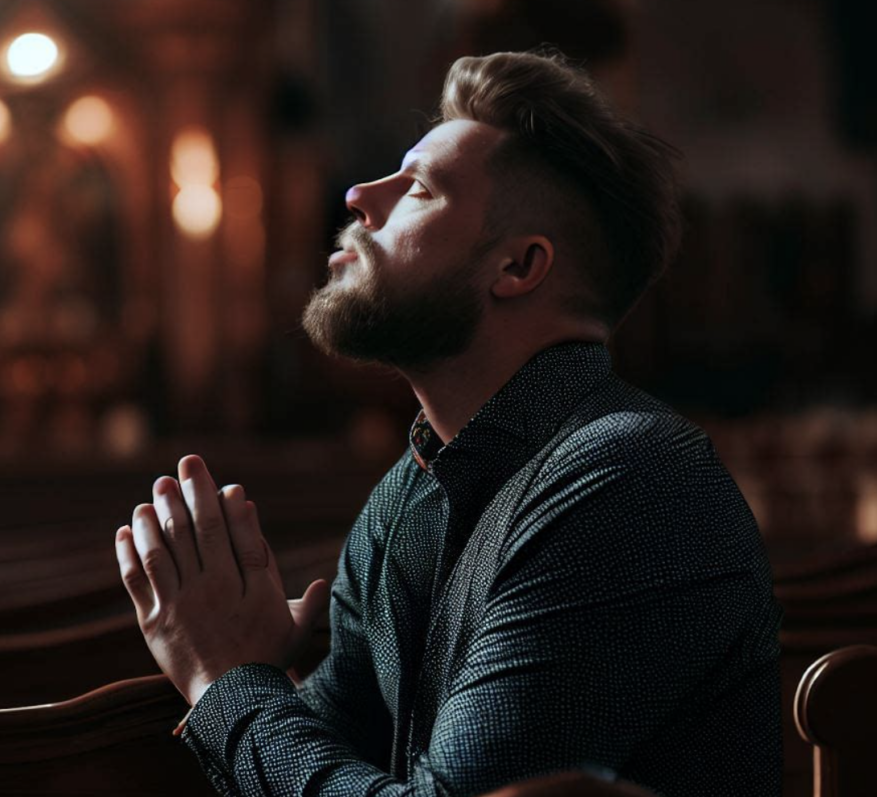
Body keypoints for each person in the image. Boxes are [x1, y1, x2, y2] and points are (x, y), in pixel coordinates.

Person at [114, 51, 783, 796]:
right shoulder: (409, 492)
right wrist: (270, 680)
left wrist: (225, 680)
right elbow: (326, 763)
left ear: (518, 267)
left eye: (420, 189)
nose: (360, 193)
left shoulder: (631, 485)